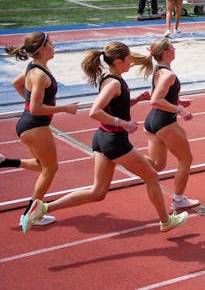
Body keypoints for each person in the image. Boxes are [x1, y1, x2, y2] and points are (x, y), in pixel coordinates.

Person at [22, 42, 189, 233]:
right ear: (118, 62)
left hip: (102, 139)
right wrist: (123, 123)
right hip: (114, 141)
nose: (131, 63)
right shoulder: (115, 83)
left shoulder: (110, 79)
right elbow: (95, 111)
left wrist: (133, 101)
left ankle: (43, 207)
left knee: (98, 192)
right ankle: (166, 221)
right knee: (151, 176)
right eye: (128, 60)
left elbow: (112, 106)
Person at [5, 32, 78, 231]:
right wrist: (64, 108)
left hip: (30, 124)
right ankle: (30, 214)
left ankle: (5, 162)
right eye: (51, 43)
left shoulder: (35, 69)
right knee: (50, 169)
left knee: (42, 166)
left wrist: (29, 104)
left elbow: (17, 83)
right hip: (35, 124)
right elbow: (36, 108)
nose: (54, 46)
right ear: (43, 49)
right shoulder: (39, 75)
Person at [139, 38, 199, 211]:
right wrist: (180, 110)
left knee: (158, 164)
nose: (175, 50)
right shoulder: (168, 74)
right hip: (165, 122)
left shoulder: (158, 70)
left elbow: (157, 92)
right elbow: (155, 99)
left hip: (151, 122)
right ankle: (179, 200)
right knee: (186, 159)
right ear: (165, 53)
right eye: (173, 48)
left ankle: (123, 157)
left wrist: (178, 100)